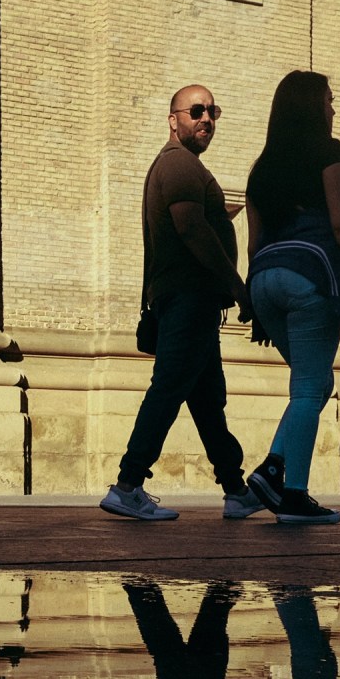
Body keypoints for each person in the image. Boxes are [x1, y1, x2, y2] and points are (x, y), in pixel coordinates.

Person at [101, 85, 262, 522]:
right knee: (169, 388)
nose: (206, 118)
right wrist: (238, 287)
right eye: (195, 111)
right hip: (190, 299)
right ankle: (128, 484)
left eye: (213, 111)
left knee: (208, 400)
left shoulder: (183, 168)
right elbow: (191, 230)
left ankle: (235, 489)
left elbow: (190, 225)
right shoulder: (179, 164)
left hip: (193, 301)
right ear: (174, 120)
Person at [243, 71, 340, 525]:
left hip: (265, 278)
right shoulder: (329, 151)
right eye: (329, 99)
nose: (333, 108)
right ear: (311, 105)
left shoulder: (261, 168)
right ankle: (294, 496)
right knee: (308, 387)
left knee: (316, 381)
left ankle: (271, 470)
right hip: (310, 277)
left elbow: (252, 245)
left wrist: (257, 311)